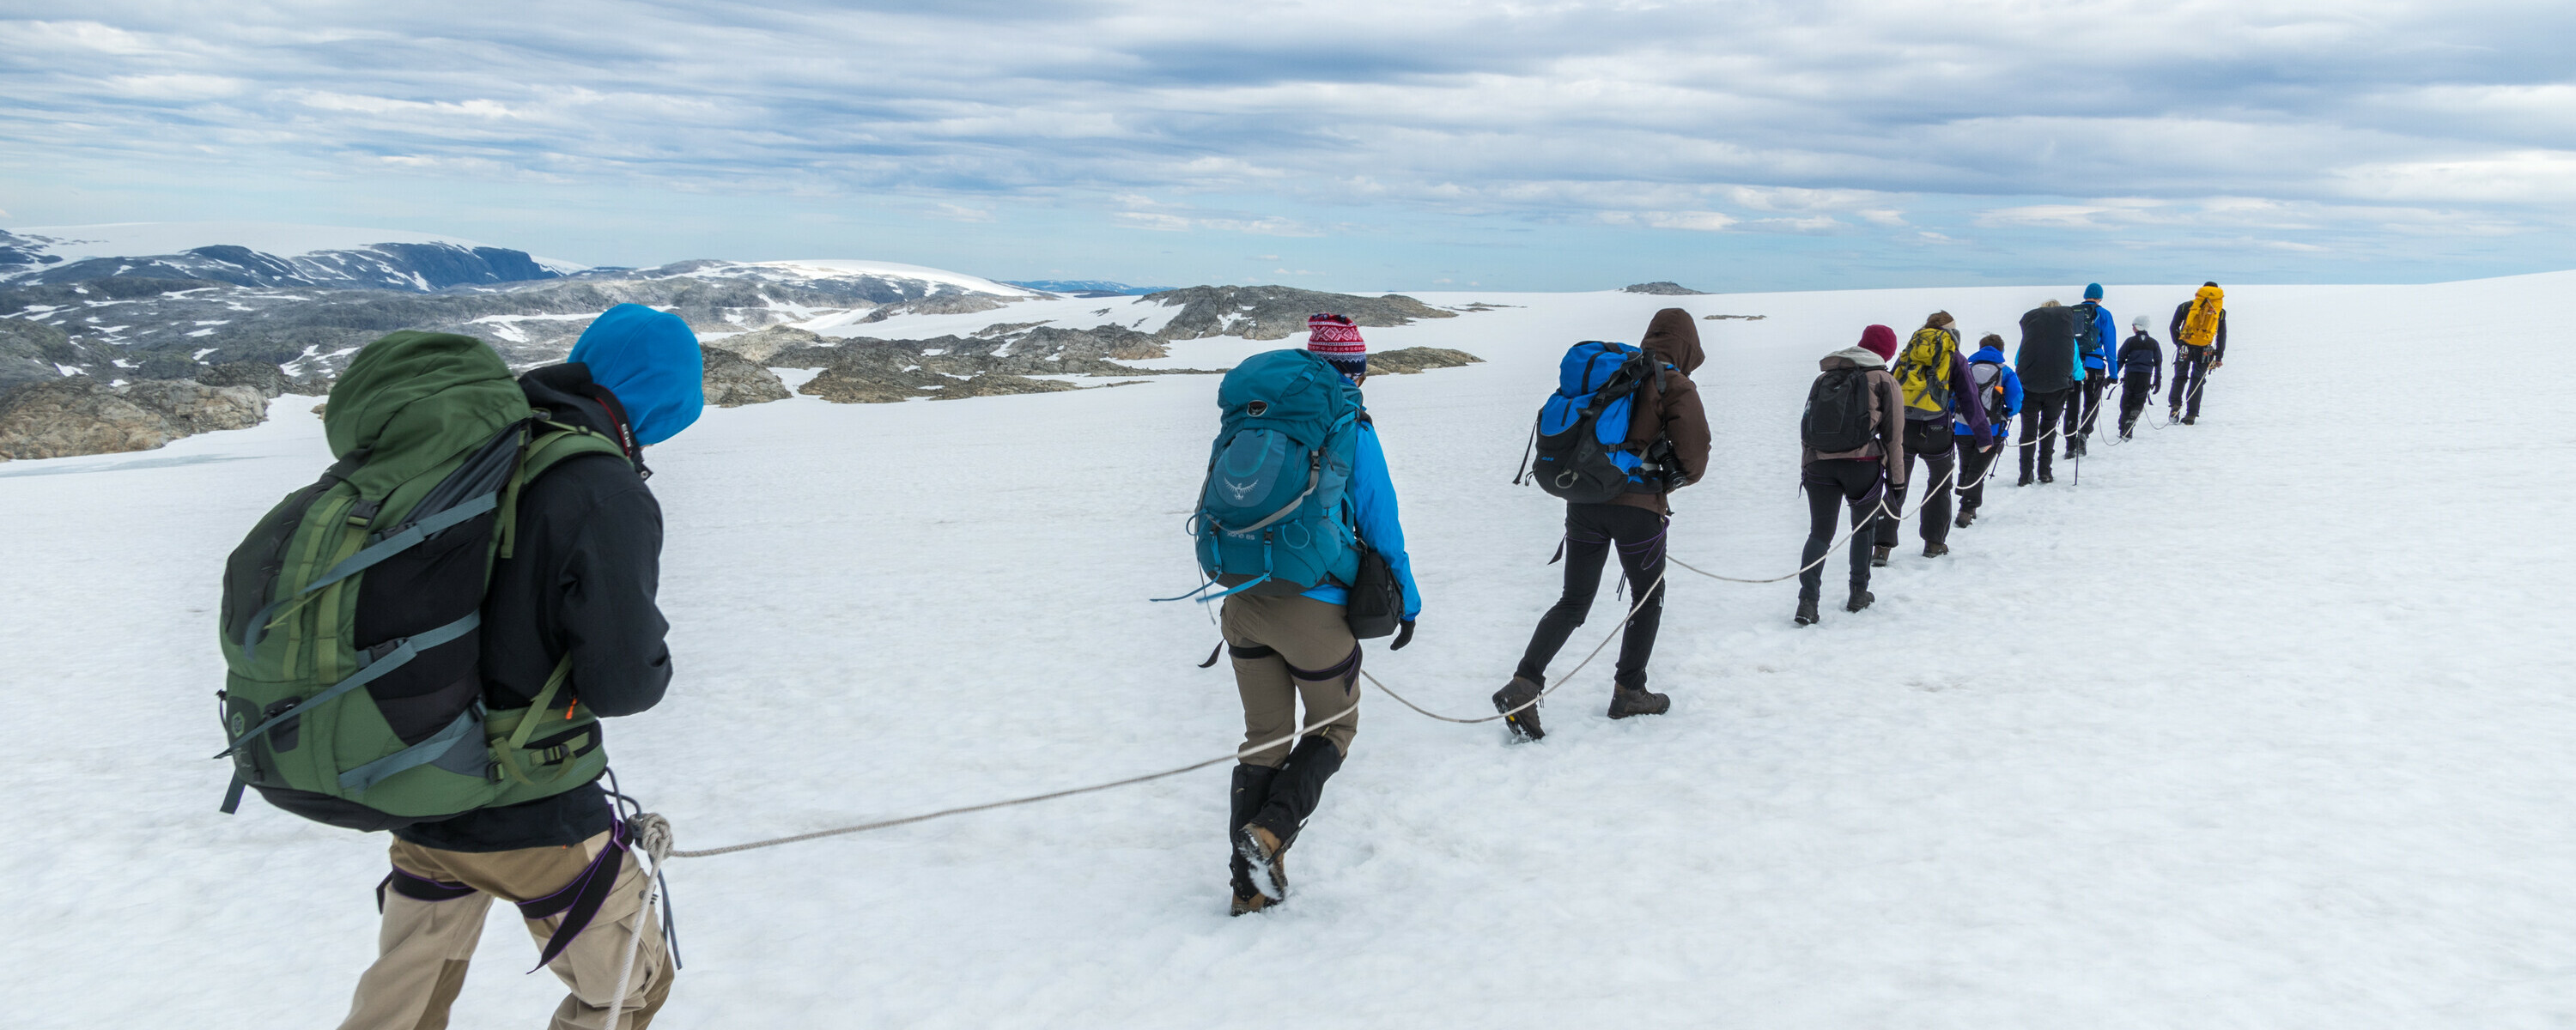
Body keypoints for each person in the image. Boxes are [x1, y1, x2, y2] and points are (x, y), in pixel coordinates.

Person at [339, 303, 701, 1030]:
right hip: (533, 808)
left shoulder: (480, 450)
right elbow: (624, 681)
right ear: (663, 397)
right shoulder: (600, 485)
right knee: (630, 988)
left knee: (401, 1007)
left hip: (423, 787)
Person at [1225, 313, 1422, 916]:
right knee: (1334, 729)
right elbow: (1381, 524)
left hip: (1241, 602)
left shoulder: (1256, 417)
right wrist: (1407, 602)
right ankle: (1269, 835)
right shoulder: (1351, 427)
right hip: (1313, 610)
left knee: (1264, 739)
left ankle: (1248, 890)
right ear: (1356, 372)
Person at [1492, 308, 1712, 741]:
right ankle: (1630, 690)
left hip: (1584, 500)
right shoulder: (1672, 382)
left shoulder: (1618, 374)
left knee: (1574, 601)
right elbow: (1695, 453)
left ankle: (1523, 683)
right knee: (1647, 598)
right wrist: (1671, 476)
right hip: (1638, 509)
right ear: (1688, 346)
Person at [1795, 325, 1905, 625]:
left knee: (1819, 533)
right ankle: (1858, 593)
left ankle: (1807, 602)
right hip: (1863, 465)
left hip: (1819, 465)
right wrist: (1898, 482)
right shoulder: (1884, 379)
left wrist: (1807, 466)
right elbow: (1894, 438)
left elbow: (1806, 426)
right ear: (1887, 352)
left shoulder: (1824, 378)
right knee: (1863, 529)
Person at [1875, 312, 1991, 562]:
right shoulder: (1954, 357)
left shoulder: (1909, 352)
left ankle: (1881, 549)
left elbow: (1892, 388)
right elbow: (1969, 399)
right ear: (1951, 331)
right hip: (1937, 431)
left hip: (1903, 430)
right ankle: (1934, 543)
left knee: (1896, 486)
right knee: (1939, 486)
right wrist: (1983, 437)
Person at [1953, 334, 2020, 527]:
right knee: (1978, 468)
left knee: (1966, 465)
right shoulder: (2006, 372)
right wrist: (2009, 412)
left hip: (1962, 426)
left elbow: (1953, 396)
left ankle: (1965, 494)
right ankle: (1967, 508)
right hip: (1992, 428)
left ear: (1980, 348)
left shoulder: (1966, 368)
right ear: (2001, 350)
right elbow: (2016, 397)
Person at [2013, 300, 2081, 485]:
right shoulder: (2069, 338)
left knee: (2028, 431)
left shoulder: (2031, 335)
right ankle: (2045, 471)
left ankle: (2025, 474)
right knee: (2049, 428)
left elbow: (2018, 359)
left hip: (2029, 386)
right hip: (2057, 388)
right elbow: (2076, 368)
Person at [2063, 283, 2118, 457]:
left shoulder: (2071, 312)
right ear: (2100, 297)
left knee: (2072, 404)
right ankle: (2084, 434)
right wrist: (2114, 373)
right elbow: (2110, 345)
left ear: (2085, 295)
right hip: (2095, 366)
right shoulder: (2103, 314)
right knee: (2092, 402)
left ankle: (2070, 444)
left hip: (2073, 366)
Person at [2167, 282, 2227, 424]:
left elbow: (2173, 326)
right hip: (2205, 350)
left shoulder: (2185, 306)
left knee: (2180, 377)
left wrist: (2179, 343)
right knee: (2197, 380)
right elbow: (2222, 335)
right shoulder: (2219, 311)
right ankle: (2191, 415)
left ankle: (2175, 405)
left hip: (2185, 347)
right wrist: (2218, 356)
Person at [2115, 313, 2163, 439]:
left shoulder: (2130, 341)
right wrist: (2157, 379)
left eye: (2133, 325)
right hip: (2145, 377)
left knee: (2126, 400)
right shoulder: (2153, 343)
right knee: (2139, 400)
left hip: (2130, 375)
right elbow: (2158, 362)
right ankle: (2131, 421)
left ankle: (2123, 428)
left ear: (2137, 327)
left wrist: (2113, 376)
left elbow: (2120, 359)